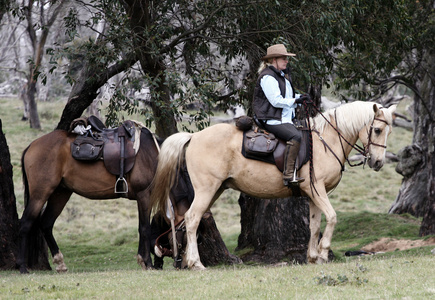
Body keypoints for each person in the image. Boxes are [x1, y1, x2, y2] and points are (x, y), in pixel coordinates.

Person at [252, 44, 309, 186]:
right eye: (284, 58)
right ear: (273, 60)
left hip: (283, 118)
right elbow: (276, 101)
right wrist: (296, 100)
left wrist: (301, 98)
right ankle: (288, 175)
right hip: (271, 119)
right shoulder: (268, 77)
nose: (286, 61)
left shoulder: (282, 76)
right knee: (295, 136)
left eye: (286, 58)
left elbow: (286, 97)